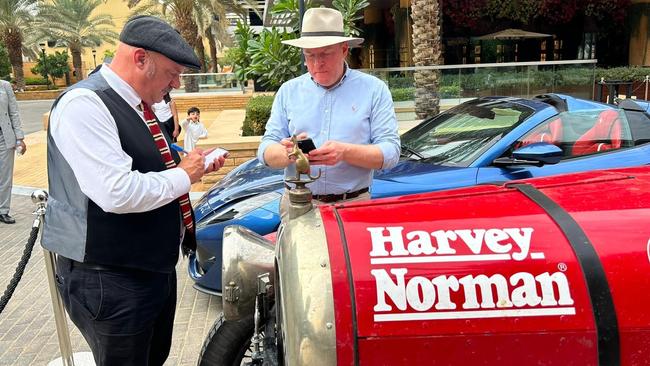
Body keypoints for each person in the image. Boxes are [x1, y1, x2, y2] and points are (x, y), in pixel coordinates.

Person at [43, 15, 226, 366]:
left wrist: (185, 162)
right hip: (110, 277)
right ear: (141, 58)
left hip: (146, 269)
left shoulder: (135, 103)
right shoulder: (85, 105)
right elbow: (116, 191)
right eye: (172, 72)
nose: (175, 84)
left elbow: (144, 159)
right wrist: (184, 176)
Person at [257, 7, 400, 216]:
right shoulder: (288, 91)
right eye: (310, 55)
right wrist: (286, 153)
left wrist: (345, 152)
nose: (317, 63)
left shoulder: (374, 90)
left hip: (353, 206)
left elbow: (391, 153)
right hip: (297, 203)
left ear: (344, 50)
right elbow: (265, 150)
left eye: (325, 54)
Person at [0, 79, 26, 224]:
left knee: (5, 176)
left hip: (4, 136)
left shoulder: (4, 86)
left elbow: (13, 112)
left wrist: (19, 137)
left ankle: (3, 210)